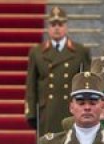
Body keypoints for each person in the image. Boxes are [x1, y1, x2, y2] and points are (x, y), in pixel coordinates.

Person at [24, 7, 91, 136]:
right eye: (53, 24)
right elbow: (31, 85)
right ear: (48, 27)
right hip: (47, 110)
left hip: (70, 108)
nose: (56, 28)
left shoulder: (80, 51)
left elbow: (86, 82)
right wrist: (30, 112)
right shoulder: (37, 52)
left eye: (60, 24)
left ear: (66, 27)